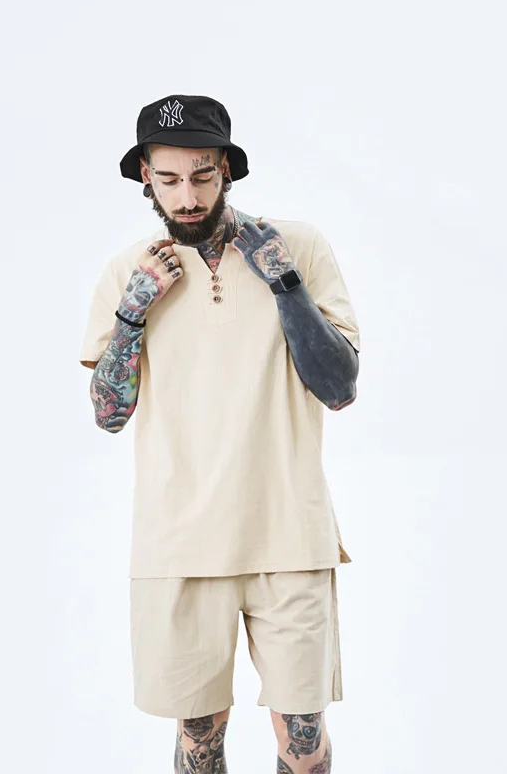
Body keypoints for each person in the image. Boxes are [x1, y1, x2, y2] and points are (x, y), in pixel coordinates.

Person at [78, 94, 360, 774]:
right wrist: (133, 313)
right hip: (178, 543)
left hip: (288, 534)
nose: (188, 196)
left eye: (203, 175)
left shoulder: (296, 247)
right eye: (169, 179)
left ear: (227, 168)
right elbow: (109, 414)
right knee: (198, 744)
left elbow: (340, 387)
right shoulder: (128, 271)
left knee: (303, 745)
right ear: (145, 176)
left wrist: (284, 283)